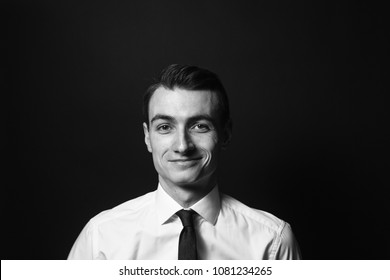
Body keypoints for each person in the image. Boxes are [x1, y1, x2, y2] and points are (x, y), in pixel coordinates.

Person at [67, 64, 301, 260]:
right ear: (148, 137)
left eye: (200, 126)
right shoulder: (101, 238)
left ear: (226, 134)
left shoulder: (272, 241)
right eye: (165, 127)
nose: (182, 145)